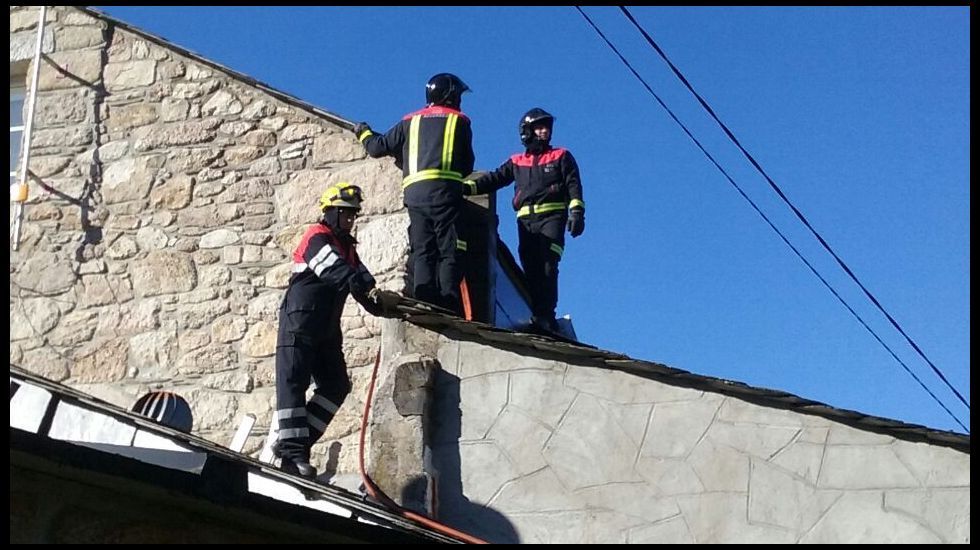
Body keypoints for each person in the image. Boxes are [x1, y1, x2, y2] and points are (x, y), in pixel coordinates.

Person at [273, 182, 384, 478]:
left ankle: (295, 444)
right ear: (330, 213)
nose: (350, 219)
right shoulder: (317, 237)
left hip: (326, 329)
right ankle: (292, 455)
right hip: (300, 323)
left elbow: (363, 282)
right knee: (293, 384)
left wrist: (383, 304)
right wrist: (363, 286)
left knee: (336, 385)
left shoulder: (347, 248)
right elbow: (334, 271)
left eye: (353, 215)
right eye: (345, 213)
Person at [352, 73, 475, 315]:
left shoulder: (410, 121)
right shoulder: (459, 121)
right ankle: (448, 302)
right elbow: (467, 165)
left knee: (422, 248)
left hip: (416, 195)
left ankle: (424, 298)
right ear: (450, 95)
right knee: (448, 249)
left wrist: (363, 132)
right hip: (445, 194)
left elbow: (377, 148)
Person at [464, 108, 585, 334]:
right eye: (539, 127)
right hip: (526, 223)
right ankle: (538, 315)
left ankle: (547, 316)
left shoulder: (561, 156)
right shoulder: (517, 161)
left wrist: (576, 212)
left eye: (547, 127)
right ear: (526, 131)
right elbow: (494, 179)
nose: (545, 132)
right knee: (531, 269)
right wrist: (466, 187)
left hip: (552, 219)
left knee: (548, 265)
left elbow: (574, 185)